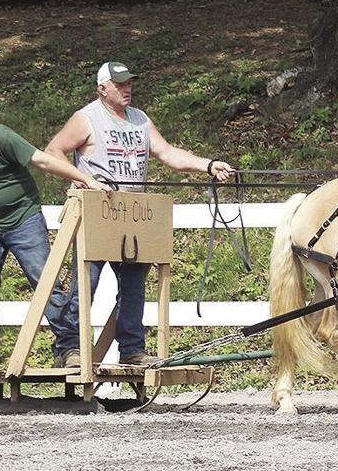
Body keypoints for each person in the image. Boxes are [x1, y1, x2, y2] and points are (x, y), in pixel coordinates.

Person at [43, 62, 236, 367]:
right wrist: (80, 179)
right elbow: (53, 151)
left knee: (133, 286)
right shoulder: (86, 119)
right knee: (86, 283)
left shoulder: (140, 120)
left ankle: (132, 349)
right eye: (119, 84)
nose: (126, 89)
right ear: (102, 88)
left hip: (132, 214)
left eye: (129, 83)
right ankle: (70, 349)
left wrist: (209, 165)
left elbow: (169, 153)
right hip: (97, 211)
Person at [0, 97, 112, 369]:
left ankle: (69, 347)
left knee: (46, 280)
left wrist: (83, 178)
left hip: (23, 217)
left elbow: (42, 160)